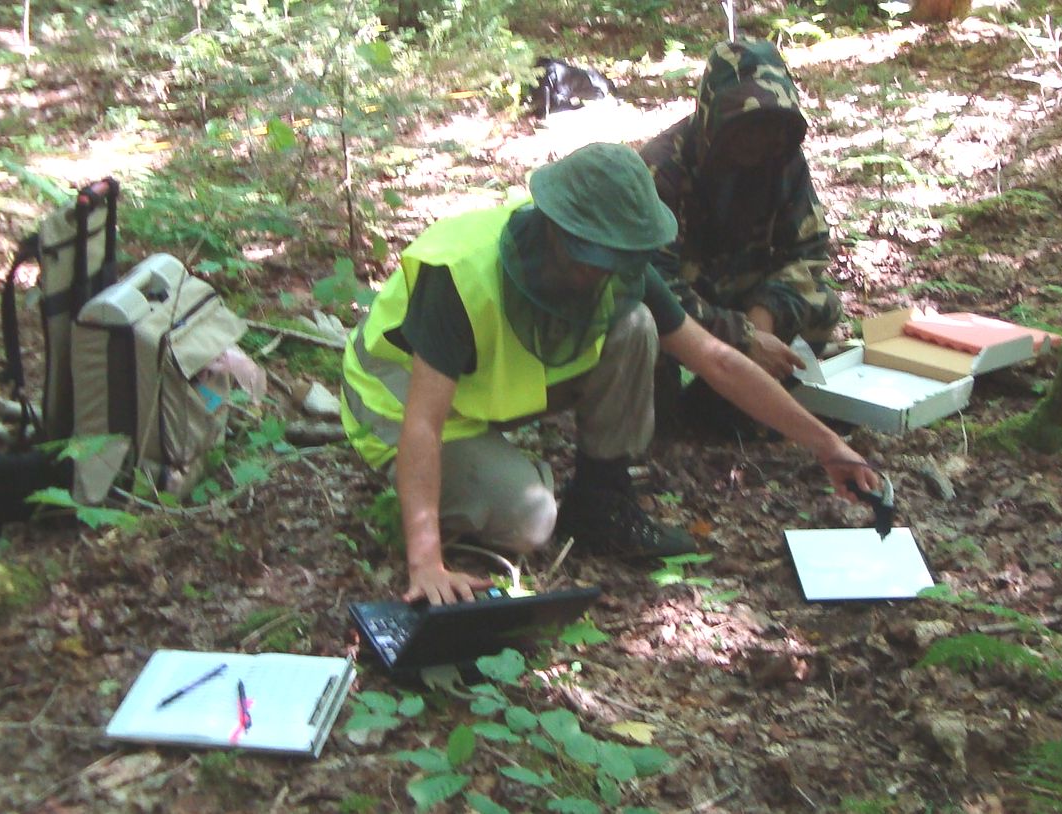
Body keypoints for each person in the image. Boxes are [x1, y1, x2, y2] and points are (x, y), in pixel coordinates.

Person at [340, 142, 878, 606]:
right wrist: (426, 560)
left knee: (635, 323)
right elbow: (423, 424)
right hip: (394, 403)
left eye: (614, 259)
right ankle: (470, 483)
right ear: (555, 230)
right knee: (530, 522)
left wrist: (827, 443)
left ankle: (602, 500)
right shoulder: (458, 274)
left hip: (485, 392)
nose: (600, 272)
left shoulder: (618, 263)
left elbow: (715, 359)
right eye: (589, 257)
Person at [640, 38, 843, 431]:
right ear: (713, 116)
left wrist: (761, 319)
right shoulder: (662, 169)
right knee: (656, 408)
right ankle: (688, 408)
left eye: (770, 124)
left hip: (743, 296)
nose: (758, 138)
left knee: (823, 306)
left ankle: (728, 404)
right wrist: (742, 337)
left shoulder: (782, 161)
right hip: (681, 309)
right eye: (745, 125)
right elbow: (652, 285)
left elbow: (809, 250)